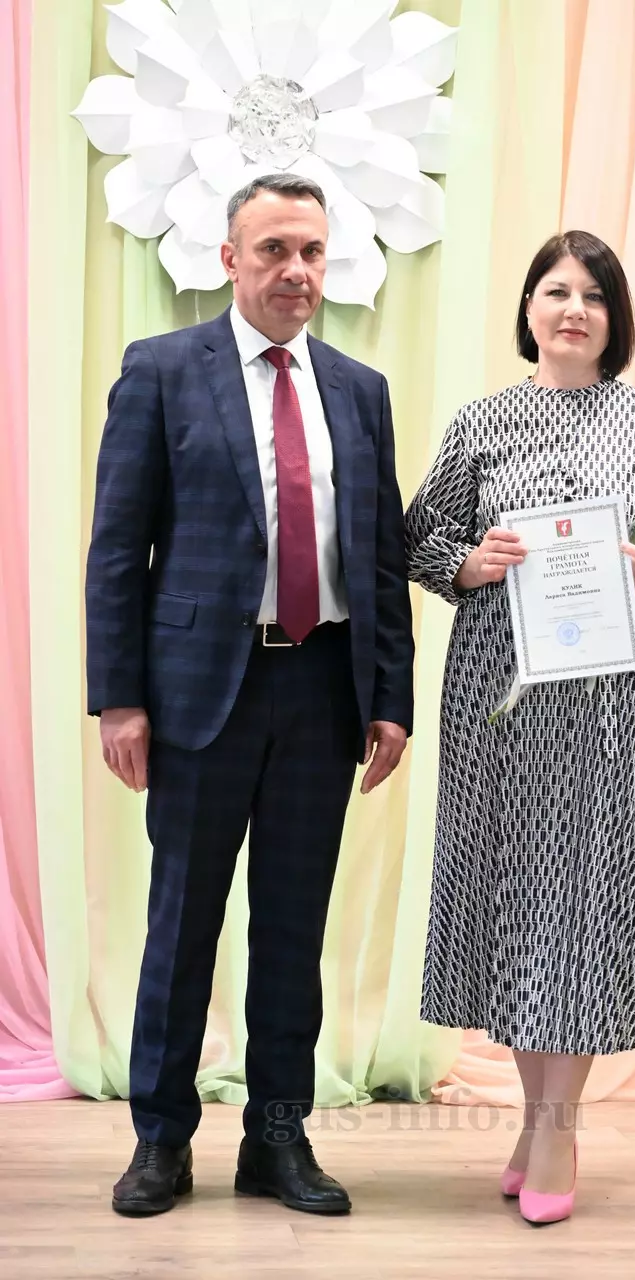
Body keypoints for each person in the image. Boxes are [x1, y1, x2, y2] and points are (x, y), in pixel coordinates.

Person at [85, 173, 414, 1218]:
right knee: (182, 924)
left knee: (292, 928)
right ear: (229, 258)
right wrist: (119, 697)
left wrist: (391, 696)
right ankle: (160, 1140)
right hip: (197, 696)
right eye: (274, 249)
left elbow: (379, 554)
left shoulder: (359, 389)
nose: (296, 271)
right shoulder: (162, 370)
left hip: (322, 690)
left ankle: (277, 1141)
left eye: (311, 251)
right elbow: (116, 549)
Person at [405, 230, 635, 1225]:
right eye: (555, 290)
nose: (573, 308)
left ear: (612, 317)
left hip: (615, 705)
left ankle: (557, 1126)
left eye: (592, 294)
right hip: (500, 699)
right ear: (529, 308)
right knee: (516, 899)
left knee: (587, 902)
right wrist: (471, 562)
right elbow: (418, 539)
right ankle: (535, 1117)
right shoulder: (481, 422)